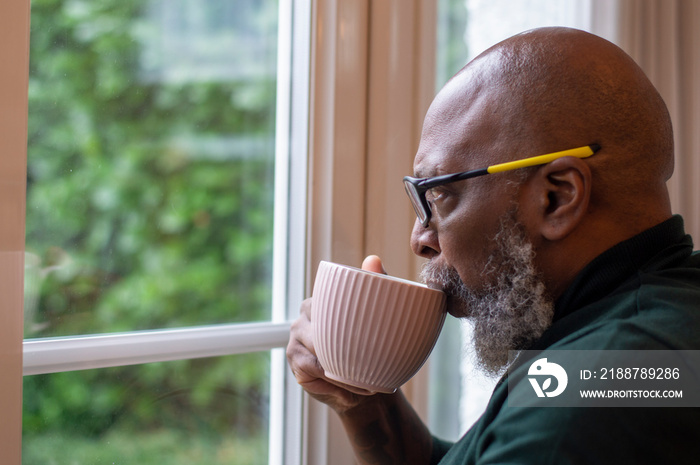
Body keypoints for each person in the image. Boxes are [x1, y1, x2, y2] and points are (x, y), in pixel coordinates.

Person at [286, 27, 700, 464]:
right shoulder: (650, 334)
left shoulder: (594, 386)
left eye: (439, 194)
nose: (419, 240)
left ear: (556, 198)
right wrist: (364, 401)